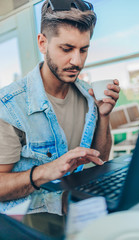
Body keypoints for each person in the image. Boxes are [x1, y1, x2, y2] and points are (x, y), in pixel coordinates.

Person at [0, 0, 120, 215]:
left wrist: (104, 116)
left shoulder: (88, 95)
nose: (77, 61)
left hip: (78, 214)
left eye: (84, 50)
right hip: (32, 224)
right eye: (67, 48)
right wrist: (46, 172)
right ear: (42, 43)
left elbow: (99, 161)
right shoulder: (9, 105)